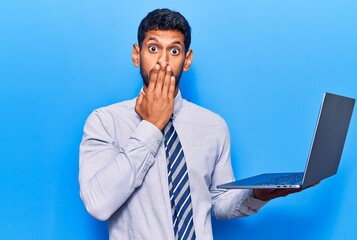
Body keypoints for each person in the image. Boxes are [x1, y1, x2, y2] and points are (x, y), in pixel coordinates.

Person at [79, 8, 306, 240]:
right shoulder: (105, 121)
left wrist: (257, 194)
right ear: (137, 54)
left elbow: (218, 203)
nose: (163, 62)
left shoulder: (213, 125)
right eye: (153, 48)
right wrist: (152, 126)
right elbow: (98, 204)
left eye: (174, 50)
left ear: (187, 60)